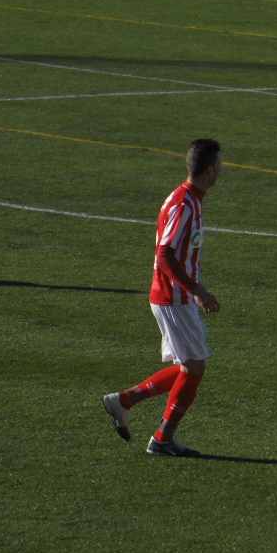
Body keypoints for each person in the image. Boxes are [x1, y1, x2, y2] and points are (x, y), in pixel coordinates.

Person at [102, 138, 223, 457]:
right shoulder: (185, 204)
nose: (221, 170)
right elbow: (165, 253)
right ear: (210, 169)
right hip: (174, 297)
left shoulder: (186, 198)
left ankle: (123, 401)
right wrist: (197, 290)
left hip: (172, 295)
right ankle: (161, 440)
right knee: (194, 368)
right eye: (219, 165)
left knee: (189, 366)